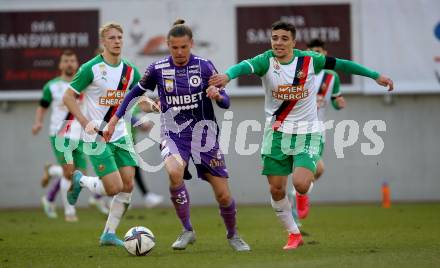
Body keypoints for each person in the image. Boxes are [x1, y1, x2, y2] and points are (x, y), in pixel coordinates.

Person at [209, 20, 393, 250]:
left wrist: (375, 75)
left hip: (307, 133)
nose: (278, 42)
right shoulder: (266, 60)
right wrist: (227, 76)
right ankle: (294, 234)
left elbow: (343, 65)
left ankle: (302, 194)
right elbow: (243, 67)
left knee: (301, 183)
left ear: (294, 42)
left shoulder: (309, 60)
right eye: (275, 38)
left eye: (284, 38)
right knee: (276, 189)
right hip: (276, 133)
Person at [104, 19, 251, 252]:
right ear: (168, 45)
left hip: (205, 136)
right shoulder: (157, 69)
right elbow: (134, 93)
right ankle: (187, 230)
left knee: (223, 196)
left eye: (184, 47)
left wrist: (217, 95)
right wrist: (114, 120)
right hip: (173, 134)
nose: (180, 52)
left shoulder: (204, 66)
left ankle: (233, 235)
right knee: (174, 171)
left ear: (191, 44)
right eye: (175, 47)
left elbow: (225, 102)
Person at [63, 22, 141, 246]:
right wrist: (85, 122)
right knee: (113, 188)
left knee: (128, 185)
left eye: (119, 37)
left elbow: (140, 98)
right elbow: (68, 97)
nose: (117, 41)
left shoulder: (130, 70)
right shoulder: (91, 68)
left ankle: (108, 234)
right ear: (103, 42)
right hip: (96, 136)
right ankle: (81, 179)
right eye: (112, 38)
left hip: (120, 134)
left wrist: (151, 105)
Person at [290, 39, 347, 222]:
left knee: (316, 171)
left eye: (319, 51)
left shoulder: (332, 77)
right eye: (313, 51)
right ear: (307, 53)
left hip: (318, 130)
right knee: (316, 168)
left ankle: (295, 198)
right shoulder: (299, 72)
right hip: (299, 128)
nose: (317, 55)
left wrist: (339, 104)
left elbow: (335, 100)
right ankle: (297, 198)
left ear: (325, 53)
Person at [31, 50, 84, 222]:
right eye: (66, 61)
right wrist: (38, 122)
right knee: (69, 173)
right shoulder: (52, 86)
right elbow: (42, 106)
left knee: (80, 175)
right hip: (60, 133)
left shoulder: (84, 84)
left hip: (81, 134)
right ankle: (70, 212)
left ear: (77, 64)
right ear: (61, 65)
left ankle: (52, 170)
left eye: (72, 60)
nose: (69, 63)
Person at [129, 102, 164, 208]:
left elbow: (142, 126)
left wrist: (144, 125)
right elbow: (122, 114)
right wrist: (139, 123)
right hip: (118, 140)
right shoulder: (126, 101)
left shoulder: (136, 108)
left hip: (129, 139)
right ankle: (101, 196)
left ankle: (145, 196)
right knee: (124, 169)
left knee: (132, 168)